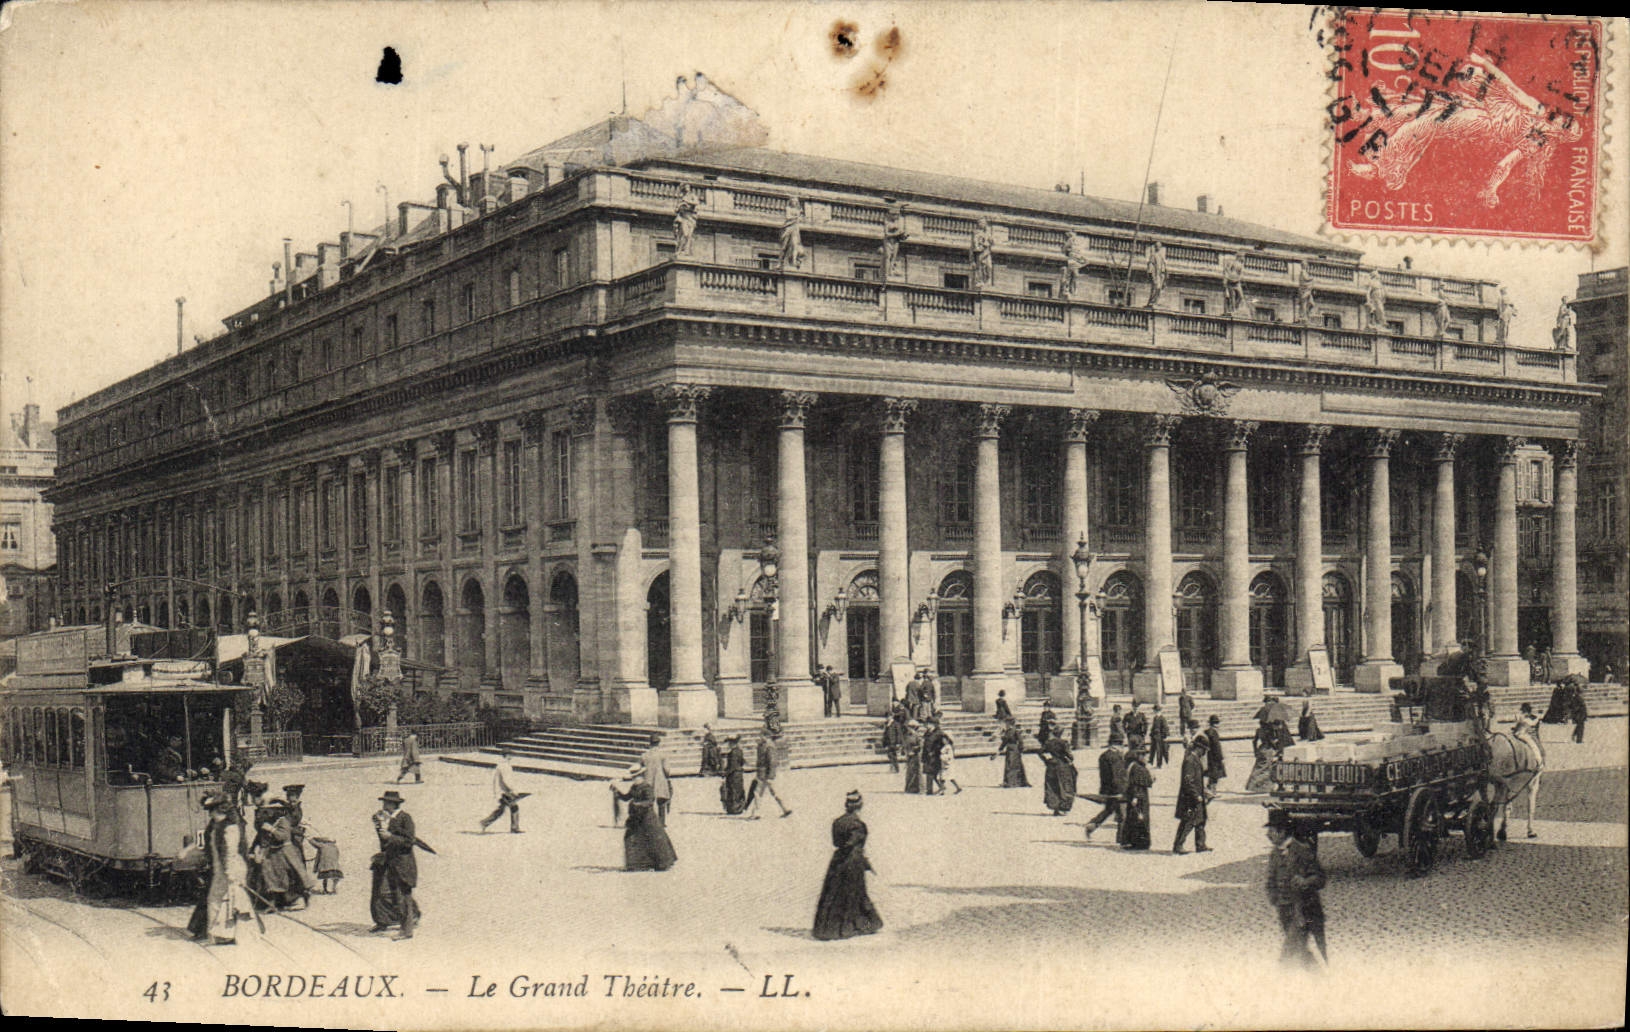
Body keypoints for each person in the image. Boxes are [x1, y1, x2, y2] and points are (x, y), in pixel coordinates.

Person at [812, 791, 883, 941]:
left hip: (838, 861)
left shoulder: (837, 822)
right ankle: (853, 925)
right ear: (860, 807)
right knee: (855, 892)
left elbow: (836, 843)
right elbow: (853, 843)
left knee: (834, 893)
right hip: (853, 862)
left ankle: (827, 927)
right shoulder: (858, 825)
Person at [188, 792, 257, 945]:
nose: (211, 815)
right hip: (221, 869)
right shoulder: (216, 827)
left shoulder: (230, 828)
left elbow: (231, 852)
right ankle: (222, 934)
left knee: (228, 901)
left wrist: (230, 872)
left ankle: (229, 934)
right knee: (220, 901)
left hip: (231, 869)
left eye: (212, 811)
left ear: (219, 811)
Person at [1265, 810, 1327, 968]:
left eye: (1271, 831)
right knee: (1300, 951)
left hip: (1304, 910)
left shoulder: (1302, 851)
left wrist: (1305, 881)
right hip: (1285, 911)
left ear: (1282, 831)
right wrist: (1275, 897)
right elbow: (1271, 880)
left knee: (1288, 955)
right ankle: (1321, 979)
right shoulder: (1275, 853)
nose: (1268, 835)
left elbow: (1320, 878)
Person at [369, 790, 421, 940]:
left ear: (394, 804)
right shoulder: (385, 818)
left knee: (402, 895)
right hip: (389, 860)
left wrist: (391, 836)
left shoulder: (405, 818)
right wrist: (379, 824)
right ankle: (383, 921)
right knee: (382, 890)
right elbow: (383, 838)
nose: (384, 805)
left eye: (387, 803)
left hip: (402, 863)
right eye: (384, 802)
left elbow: (409, 841)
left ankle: (407, 930)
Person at [249, 798, 314, 911]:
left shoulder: (283, 821)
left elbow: (283, 836)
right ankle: (273, 903)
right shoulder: (270, 822)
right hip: (274, 854)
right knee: (272, 877)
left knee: (291, 875)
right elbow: (261, 837)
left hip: (285, 852)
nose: (267, 813)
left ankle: (298, 900)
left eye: (269, 811)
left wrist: (272, 829)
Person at [612, 766, 678, 871]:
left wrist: (637, 804)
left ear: (641, 777)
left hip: (648, 818)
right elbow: (626, 797)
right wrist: (617, 791)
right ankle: (636, 865)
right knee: (631, 839)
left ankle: (660, 864)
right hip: (636, 818)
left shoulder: (647, 787)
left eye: (636, 777)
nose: (635, 780)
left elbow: (650, 801)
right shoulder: (634, 787)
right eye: (633, 778)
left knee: (653, 841)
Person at [1509, 702, 1546, 838]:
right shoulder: (1533, 719)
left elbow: (1517, 728)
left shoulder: (1520, 717)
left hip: (1516, 736)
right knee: (1540, 757)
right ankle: (1530, 827)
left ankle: (1504, 826)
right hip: (1529, 740)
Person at [1172, 737, 1213, 854]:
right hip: (1190, 798)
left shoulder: (1195, 759)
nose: (1205, 753)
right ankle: (1178, 845)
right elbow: (1188, 781)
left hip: (1197, 795)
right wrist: (1196, 795)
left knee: (1201, 820)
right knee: (1188, 822)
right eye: (1204, 750)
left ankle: (1200, 844)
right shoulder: (1190, 760)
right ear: (1199, 748)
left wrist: (1204, 791)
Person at [1082, 739, 1126, 841]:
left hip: (1107, 789)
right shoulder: (1116, 757)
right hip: (1117, 790)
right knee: (1123, 814)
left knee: (1109, 810)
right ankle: (1121, 838)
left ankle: (1092, 825)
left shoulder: (1103, 756)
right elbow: (1117, 775)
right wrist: (1121, 790)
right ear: (1116, 746)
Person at [746, 729, 793, 819]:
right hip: (762, 774)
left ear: (766, 736)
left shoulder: (769, 746)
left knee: (759, 793)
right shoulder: (762, 745)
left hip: (766, 775)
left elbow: (772, 762)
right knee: (770, 792)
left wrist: (770, 775)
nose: (760, 737)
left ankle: (755, 813)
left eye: (762, 736)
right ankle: (786, 808)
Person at [478, 751, 526, 833]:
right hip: (504, 791)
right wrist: (513, 790)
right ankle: (514, 828)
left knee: (502, 809)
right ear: (507, 755)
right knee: (514, 807)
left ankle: (485, 822)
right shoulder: (504, 766)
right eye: (510, 754)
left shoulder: (502, 765)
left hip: (501, 791)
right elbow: (506, 780)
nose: (512, 756)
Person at [1121, 739, 1154, 850]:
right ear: (1139, 756)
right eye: (1144, 755)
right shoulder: (1138, 768)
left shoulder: (1138, 766)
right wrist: (1135, 797)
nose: (1146, 757)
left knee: (1136, 817)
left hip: (1141, 795)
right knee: (1139, 818)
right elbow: (1136, 784)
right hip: (1139, 797)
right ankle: (1139, 842)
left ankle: (1135, 841)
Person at [1039, 728, 1077, 816]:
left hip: (1051, 766)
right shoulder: (1064, 743)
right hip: (1062, 766)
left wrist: (1046, 760)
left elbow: (1040, 752)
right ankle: (1063, 807)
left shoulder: (1048, 743)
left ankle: (1055, 807)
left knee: (1052, 785)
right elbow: (1070, 756)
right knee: (1064, 786)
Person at [640, 734, 673, 824]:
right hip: (660, 782)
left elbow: (640, 770)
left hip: (647, 782)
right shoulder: (663, 755)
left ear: (650, 743)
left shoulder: (644, 756)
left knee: (648, 803)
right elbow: (667, 770)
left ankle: (649, 823)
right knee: (661, 803)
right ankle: (661, 823)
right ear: (659, 743)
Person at [1245, 717, 1281, 793]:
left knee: (1259, 767)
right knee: (1267, 769)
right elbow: (1271, 741)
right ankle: (1263, 787)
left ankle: (1254, 786)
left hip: (1261, 749)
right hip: (1268, 750)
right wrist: (1276, 747)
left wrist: (1255, 750)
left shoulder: (1258, 730)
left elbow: (1254, 741)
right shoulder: (1268, 731)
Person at [720, 735, 749, 815]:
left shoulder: (733, 753)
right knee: (738, 790)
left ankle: (734, 809)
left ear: (733, 744)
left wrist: (725, 773)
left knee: (733, 791)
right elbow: (742, 762)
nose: (729, 745)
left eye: (730, 743)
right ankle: (739, 807)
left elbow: (732, 766)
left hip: (733, 775)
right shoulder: (740, 751)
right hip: (739, 774)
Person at [996, 718, 1029, 787]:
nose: (1005, 724)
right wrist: (999, 750)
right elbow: (1005, 742)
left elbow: (1020, 741)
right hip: (1011, 749)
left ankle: (1011, 782)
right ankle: (1011, 781)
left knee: (1011, 765)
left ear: (1009, 723)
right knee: (1012, 765)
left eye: (1006, 723)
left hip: (1013, 749)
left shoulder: (1014, 731)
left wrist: (1021, 749)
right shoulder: (1009, 731)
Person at [921, 718, 946, 795]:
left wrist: (935, 751)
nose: (926, 725)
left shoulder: (939, 733)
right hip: (927, 755)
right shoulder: (928, 732)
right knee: (930, 773)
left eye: (928, 723)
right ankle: (939, 788)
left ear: (933, 724)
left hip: (935, 756)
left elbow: (943, 744)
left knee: (932, 773)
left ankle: (931, 790)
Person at [881, 704, 906, 773]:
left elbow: (899, 734)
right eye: (887, 717)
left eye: (889, 716)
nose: (888, 718)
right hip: (888, 742)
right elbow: (885, 734)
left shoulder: (896, 724)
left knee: (893, 755)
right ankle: (893, 767)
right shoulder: (887, 724)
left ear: (892, 717)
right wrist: (884, 743)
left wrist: (898, 743)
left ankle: (895, 768)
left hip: (894, 742)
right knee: (890, 755)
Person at [902, 721, 924, 794]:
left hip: (916, 756)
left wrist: (914, 749)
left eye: (911, 727)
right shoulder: (907, 735)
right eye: (909, 727)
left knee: (917, 772)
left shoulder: (917, 736)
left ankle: (919, 788)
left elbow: (921, 745)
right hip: (909, 755)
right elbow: (905, 744)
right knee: (909, 772)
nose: (909, 729)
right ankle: (910, 788)